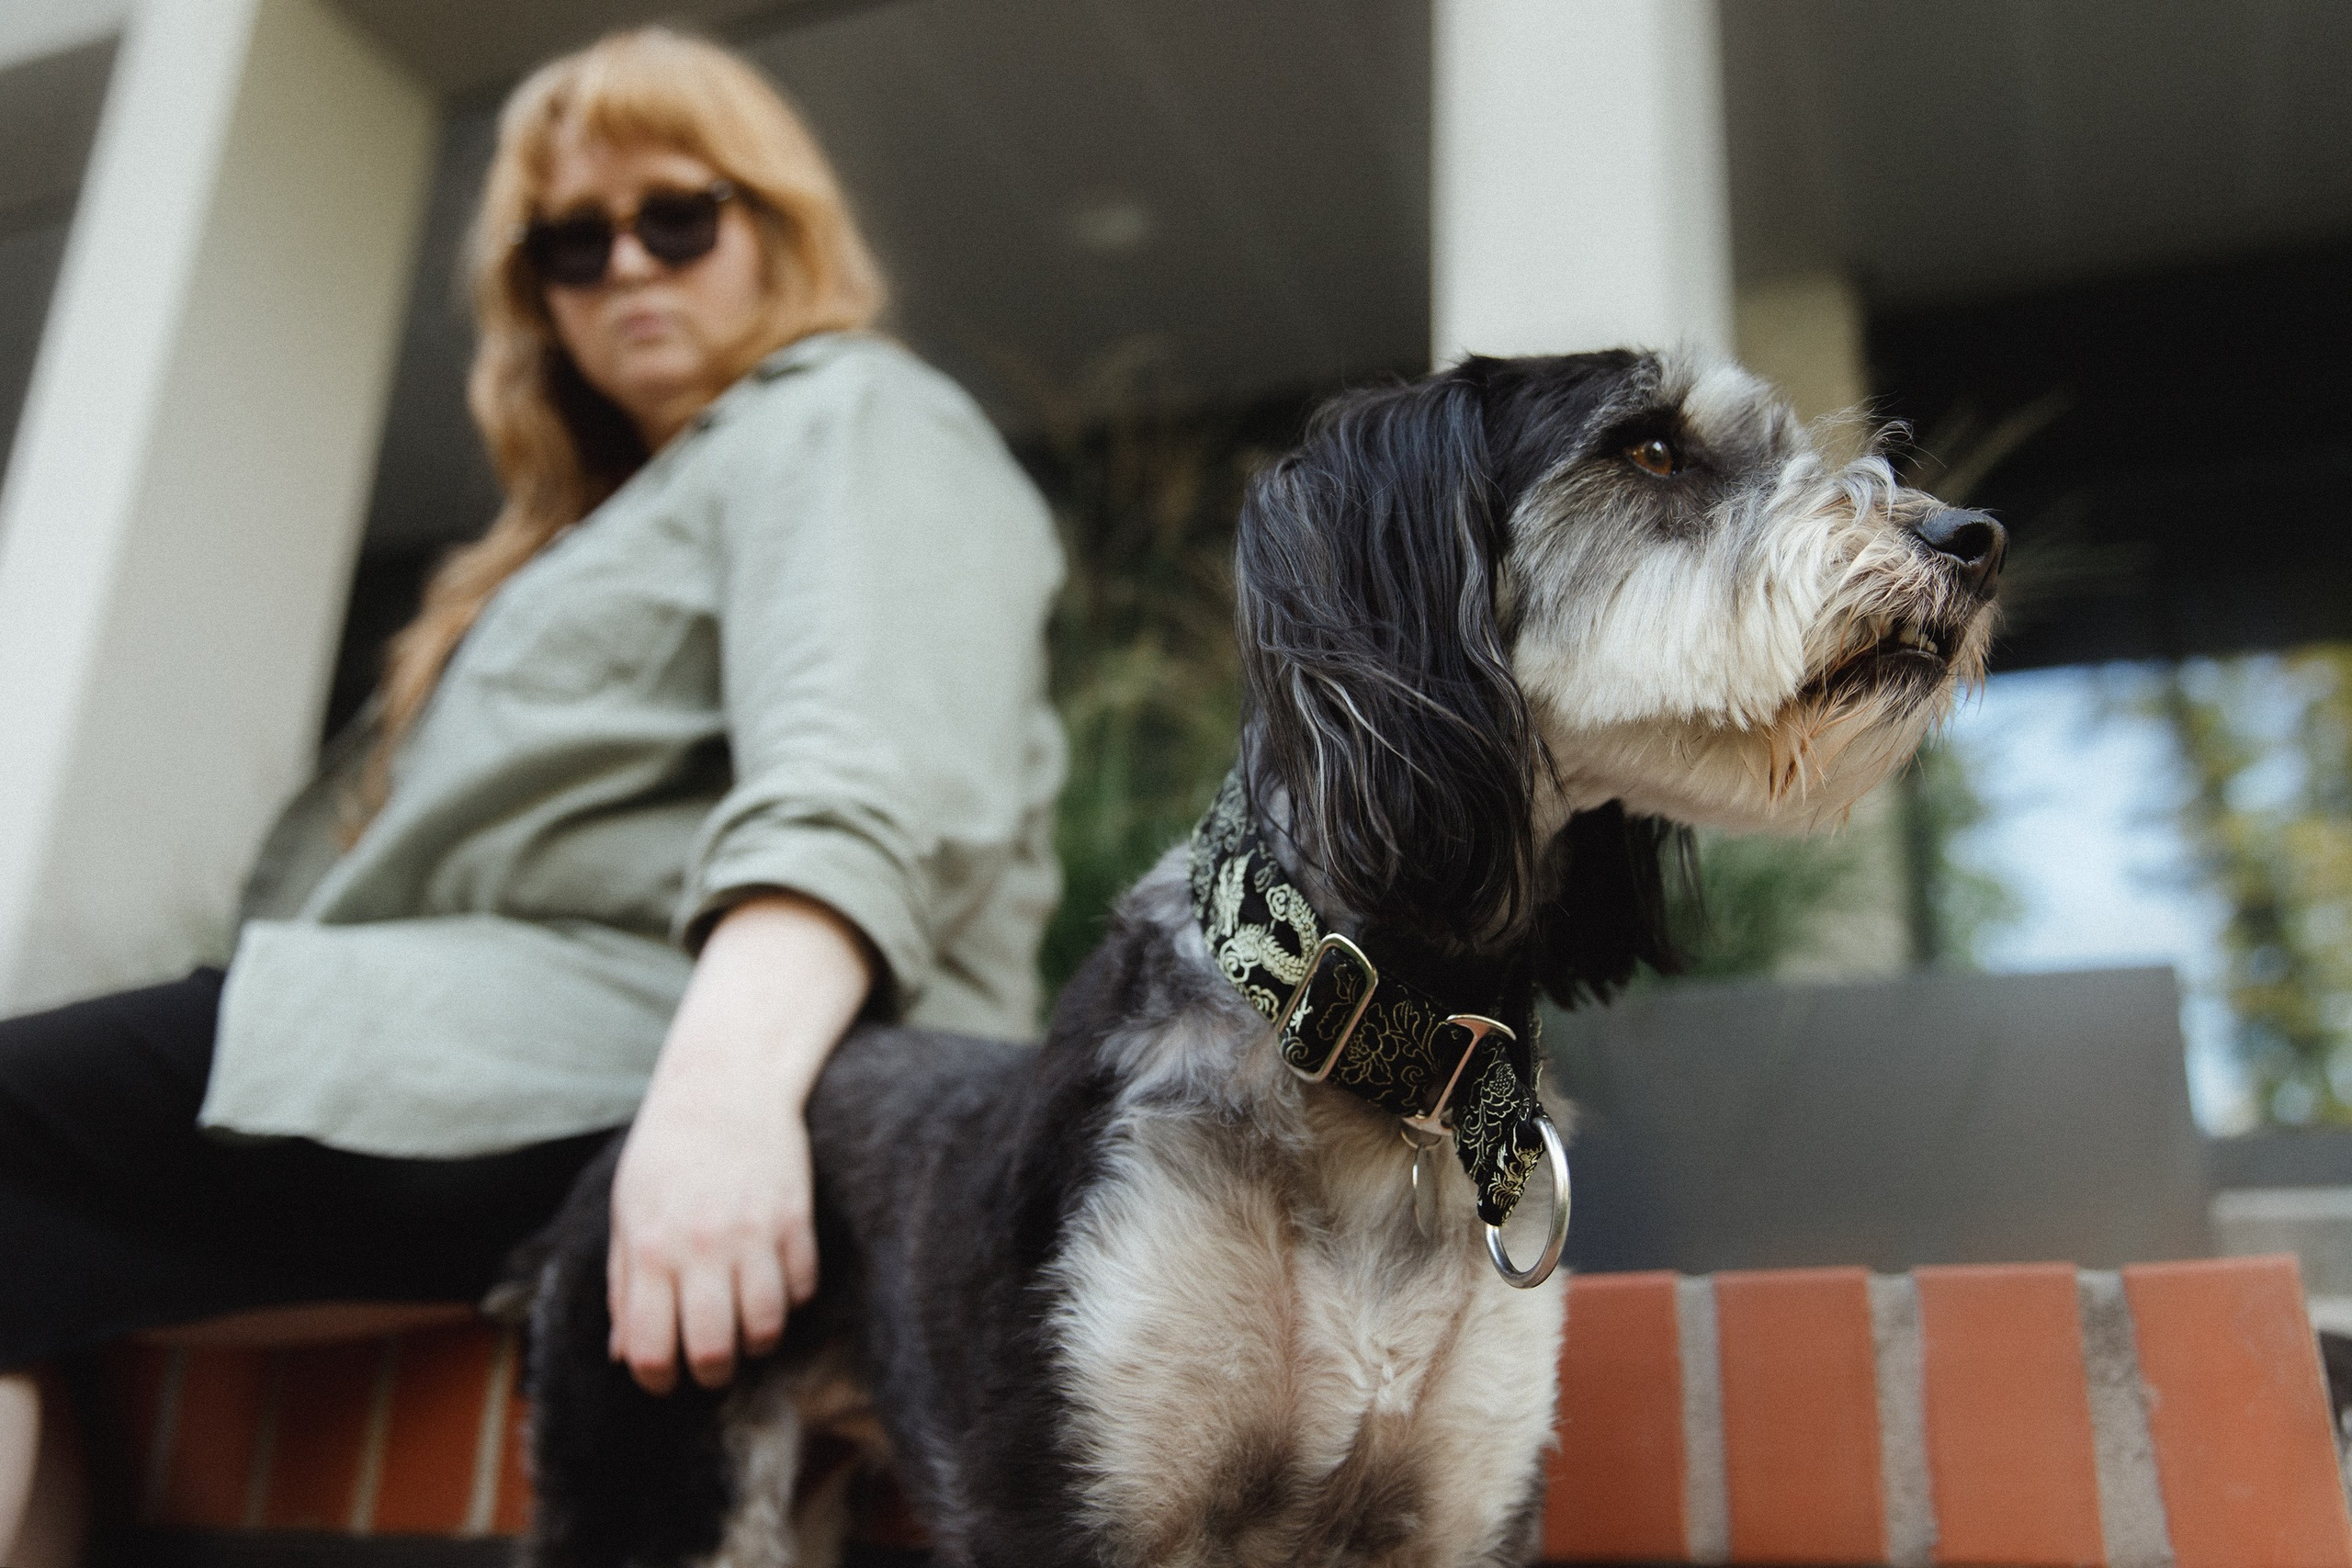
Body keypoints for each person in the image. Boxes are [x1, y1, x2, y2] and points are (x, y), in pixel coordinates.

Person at [0, 28, 1063, 1563]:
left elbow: (862, 765)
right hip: (464, 1059)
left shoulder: (851, 415)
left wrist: (722, 1103)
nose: (627, 264)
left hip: (649, 1049)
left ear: (776, 224)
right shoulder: (580, 528)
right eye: (571, 242)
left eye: (678, 215)